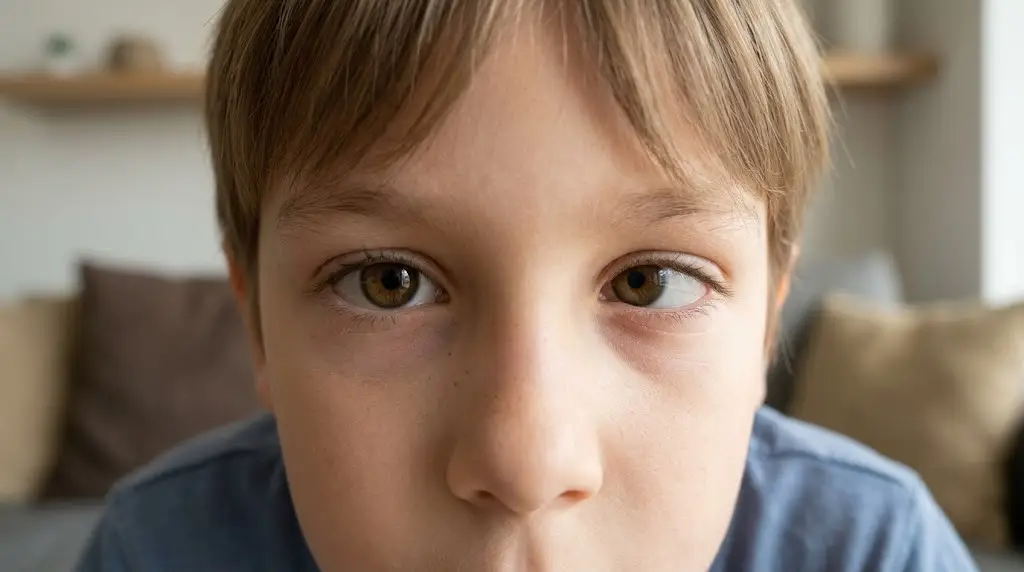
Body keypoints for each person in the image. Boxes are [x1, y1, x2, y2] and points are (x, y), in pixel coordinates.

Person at [75, 1, 977, 570]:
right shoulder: (158, 547)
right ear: (258, 328)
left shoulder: (875, 549)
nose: (526, 463)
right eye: (388, 284)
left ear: (763, 329)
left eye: (651, 282)